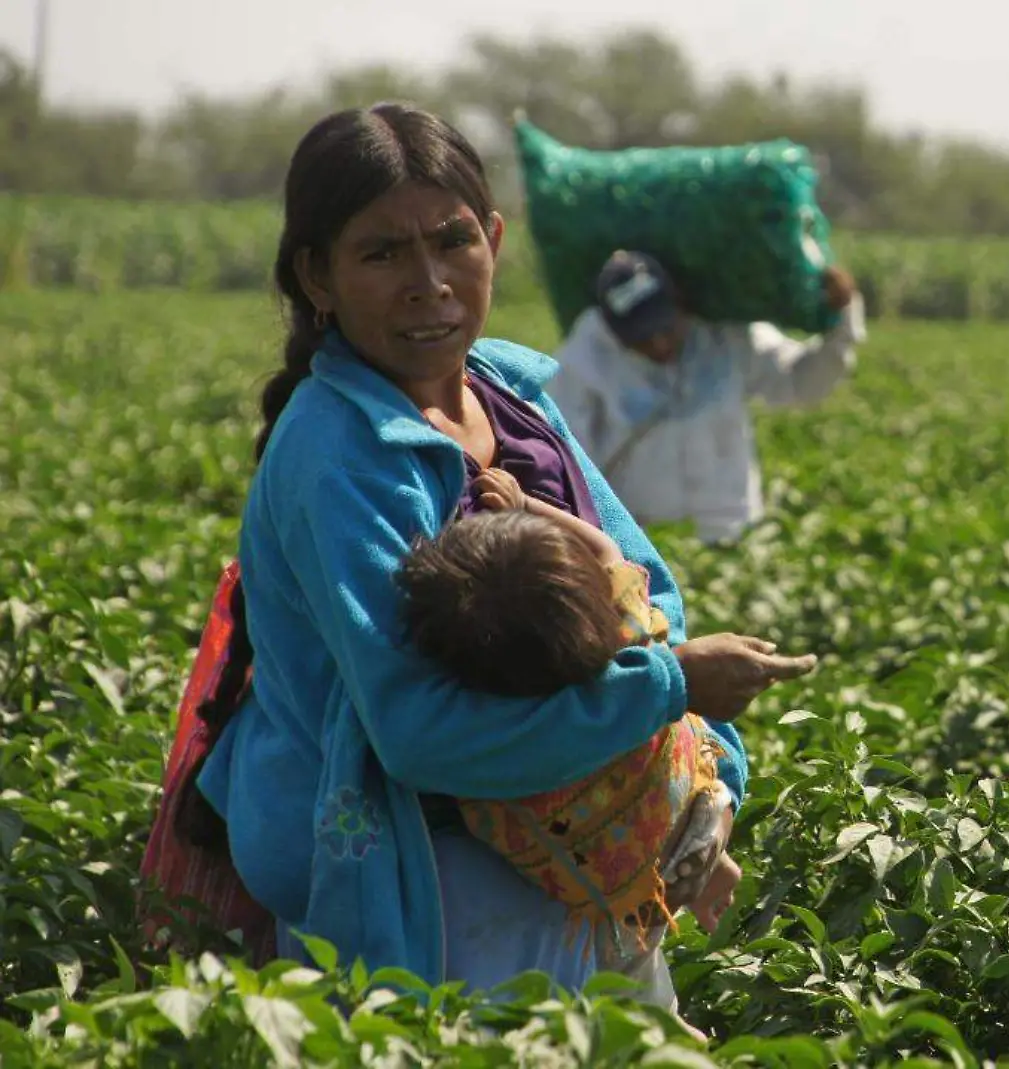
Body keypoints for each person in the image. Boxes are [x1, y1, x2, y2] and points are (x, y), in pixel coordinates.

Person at [167, 103, 815, 1003]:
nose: (429, 281)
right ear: (317, 275)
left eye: (452, 240)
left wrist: (702, 784)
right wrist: (669, 690)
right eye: (382, 252)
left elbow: (647, 594)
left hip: (588, 852)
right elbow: (419, 733)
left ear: (495, 241)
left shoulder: (513, 394)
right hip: (431, 883)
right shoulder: (338, 456)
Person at [394, 466, 748, 963]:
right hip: (679, 801)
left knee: (628, 987)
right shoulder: (629, 640)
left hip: (605, 889)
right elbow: (605, 550)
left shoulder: (509, 744)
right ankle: (709, 862)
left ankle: (667, 1016)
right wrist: (526, 509)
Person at [545, 249, 867, 545]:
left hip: (737, 536)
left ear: (680, 304)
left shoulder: (725, 337)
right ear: (612, 329)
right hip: (645, 550)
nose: (659, 345)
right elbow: (567, 464)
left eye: (665, 329)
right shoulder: (585, 360)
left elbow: (801, 382)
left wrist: (842, 319)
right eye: (642, 337)